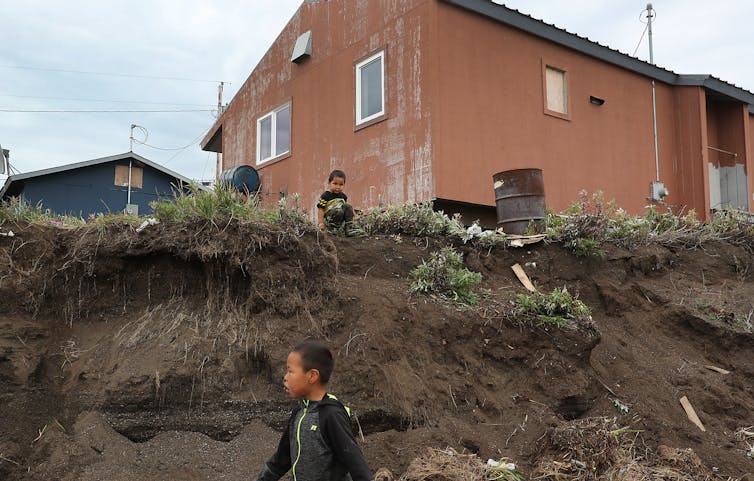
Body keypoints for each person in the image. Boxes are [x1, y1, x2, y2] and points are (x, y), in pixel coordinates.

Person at [253, 341, 373, 481]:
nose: (285, 377)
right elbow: (281, 460)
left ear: (312, 376)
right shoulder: (299, 412)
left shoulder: (331, 415)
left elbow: (356, 465)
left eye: (291, 371)